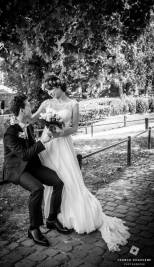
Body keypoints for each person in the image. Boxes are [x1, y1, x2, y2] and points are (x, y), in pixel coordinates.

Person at [32, 75, 130, 252]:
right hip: (47, 146)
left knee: (68, 179)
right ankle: (53, 214)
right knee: (53, 181)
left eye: (51, 89)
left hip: (63, 145)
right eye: (47, 90)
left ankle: (68, 215)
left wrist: (60, 133)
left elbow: (75, 128)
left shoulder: (73, 104)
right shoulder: (46, 103)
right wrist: (18, 121)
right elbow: (32, 118)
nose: (50, 93)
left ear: (60, 86)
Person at [3, 94, 71, 247]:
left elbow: (33, 150)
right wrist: (42, 141)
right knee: (37, 189)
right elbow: (24, 155)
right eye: (28, 105)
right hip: (18, 170)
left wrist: (51, 142)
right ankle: (33, 229)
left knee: (58, 182)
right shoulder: (10, 132)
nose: (30, 106)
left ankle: (52, 219)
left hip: (33, 166)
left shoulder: (29, 126)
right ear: (22, 110)